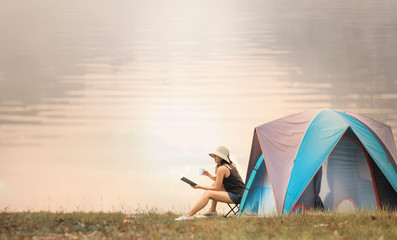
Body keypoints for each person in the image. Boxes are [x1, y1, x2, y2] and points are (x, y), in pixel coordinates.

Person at [175, 146, 245, 221]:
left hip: (236, 196)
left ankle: (188, 215)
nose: (214, 157)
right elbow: (219, 181)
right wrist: (208, 175)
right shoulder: (230, 165)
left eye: (216, 155)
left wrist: (199, 186)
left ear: (222, 157)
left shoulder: (222, 168)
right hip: (241, 193)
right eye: (214, 156)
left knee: (208, 193)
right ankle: (212, 211)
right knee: (213, 185)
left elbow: (217, 188)